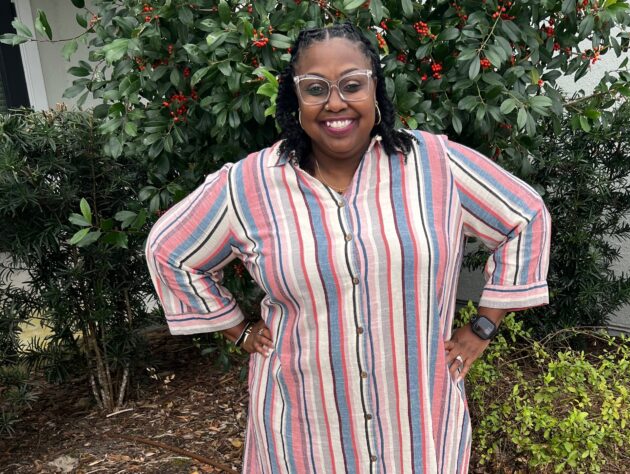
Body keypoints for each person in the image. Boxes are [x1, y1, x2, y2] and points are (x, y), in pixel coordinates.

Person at [146, 22, 550, 474]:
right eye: (315, 88)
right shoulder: (248, 185)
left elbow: (526, 216)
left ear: (375, 88)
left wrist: (483, 327)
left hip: (415, 430)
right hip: (304, 435)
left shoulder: (436, 165)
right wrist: (237, 331)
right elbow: (169, 251)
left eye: (352, 84)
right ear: (295, 98)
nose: (335, 102)